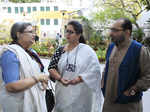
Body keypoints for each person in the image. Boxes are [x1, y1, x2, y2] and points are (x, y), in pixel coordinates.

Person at [48, 20, 102, 112]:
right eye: (67, 31)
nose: (67, 34)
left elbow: (95, 70)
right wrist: (60, 79)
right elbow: (51, 68)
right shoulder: (60, 50)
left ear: (78, 34)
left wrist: (79, 79)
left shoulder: (87, 51)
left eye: (71, 32)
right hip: (63, 94)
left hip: (81, 94)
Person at [101, 18, 150, 112]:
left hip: (128, 105)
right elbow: (106, 68)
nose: (111, 33)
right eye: (111, 30)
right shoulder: (111, 47)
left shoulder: (139, 50)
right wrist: (102, 83)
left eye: (115, 30)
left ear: (127, 32)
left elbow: (148, 76)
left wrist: (133, 90)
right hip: (108, 104)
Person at [0, 22, 49, 112]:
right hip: (18, 105)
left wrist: (43, 80)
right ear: (19, 34)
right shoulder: (10, 54)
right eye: (31, 32)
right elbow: (11, 86)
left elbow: (39, 72)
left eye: (34, 32)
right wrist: (38, 78)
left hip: (35, 101)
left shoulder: (31, 52)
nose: (34, 35)